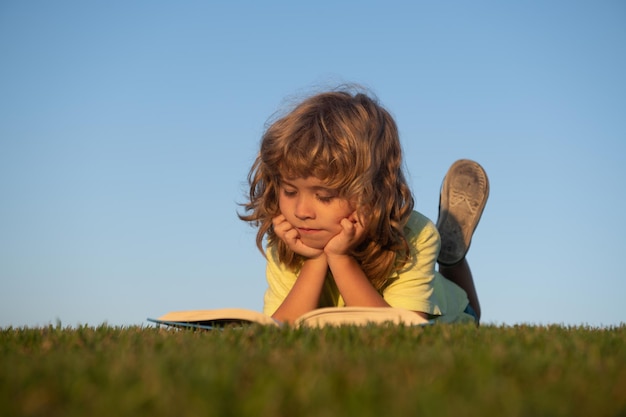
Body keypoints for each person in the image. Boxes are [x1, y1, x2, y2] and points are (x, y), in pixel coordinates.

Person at [239, 88, 489, 324]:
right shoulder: (288, 237)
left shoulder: (415, 235)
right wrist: (315, 261)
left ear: (371, 193)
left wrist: (340, 257)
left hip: (449, 310)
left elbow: (397, 332)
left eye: (324, 196)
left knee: (471, 316)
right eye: (290, 191)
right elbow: (280, 328)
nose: (301, 212)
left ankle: (451, 259)